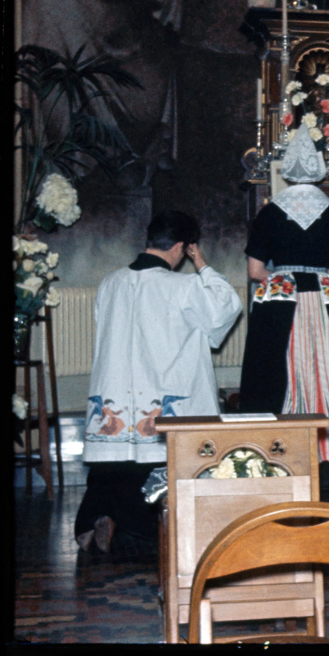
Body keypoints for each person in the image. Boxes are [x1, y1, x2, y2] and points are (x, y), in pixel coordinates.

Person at [78, 211, 241, 552]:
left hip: (116, 392)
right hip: (163, 393)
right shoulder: (185, 286)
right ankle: (157, 531)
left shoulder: (111, 282)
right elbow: (225, 308)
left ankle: (100, 517)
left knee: (115, 461)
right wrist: (204, 266)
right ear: (182, 247)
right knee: (163, 459)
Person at [237, 125, 329, 490]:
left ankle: (278, 446)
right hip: (323, 298)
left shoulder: (271, 212)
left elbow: (255, 270)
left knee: (276, 368)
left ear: (287, 173)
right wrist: (320, 276)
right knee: (328, 365)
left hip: (282, 301)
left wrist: (284, 276)